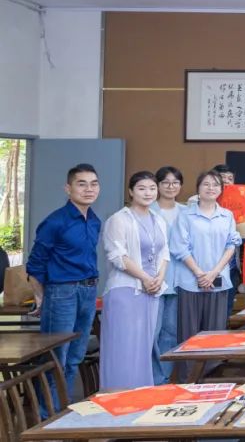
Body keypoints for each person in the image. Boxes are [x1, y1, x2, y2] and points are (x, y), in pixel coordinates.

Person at [26, 163, 102, 402]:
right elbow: (35, 264)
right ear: (68, 189)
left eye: (94, 184)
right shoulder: (55, 222)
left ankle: (62, 410)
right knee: (56, 357)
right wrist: (40, 296)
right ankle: (45, 415)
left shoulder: (94, 220)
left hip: (88, 290)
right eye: (82, 184)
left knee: (75, 357)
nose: (89, 189)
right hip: (62, 292)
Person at [101, 171, 169, 390]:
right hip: (126, 290)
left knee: (144, 349)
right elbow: (117, 256)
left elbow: (164, 253)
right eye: (141, 188)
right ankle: (118, 397)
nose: (148, 193)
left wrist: (159, 278)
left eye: (152, 188)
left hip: (152, 291)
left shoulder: (158, 219)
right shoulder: (118, 219)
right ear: (131, 191)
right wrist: (146, 278)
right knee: (124, 348)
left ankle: (141, 397)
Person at [170, 170, 242, 347]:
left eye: (216, 185)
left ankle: (211, 366)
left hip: (218, 281)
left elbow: (231, 245)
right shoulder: (185, 215)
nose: (211, 188)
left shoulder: (227, 215)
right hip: (190, 282)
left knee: (214, 335)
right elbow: (179, 247)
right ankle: (188, 367)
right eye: (206, 184)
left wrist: (213, 273)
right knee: (189, 335)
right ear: (198, 188)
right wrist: (200, 274)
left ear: (221, 189)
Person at [151, 166, 185, 384]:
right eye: (165, 182)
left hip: (180, 278)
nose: (170, 187)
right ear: (158, 185)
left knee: (171, 331)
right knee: (152, 332)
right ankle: (150, 378)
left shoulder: (187, 211)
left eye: (175, 183)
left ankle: (163, 379)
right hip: (153, 280)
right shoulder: (148, 209)